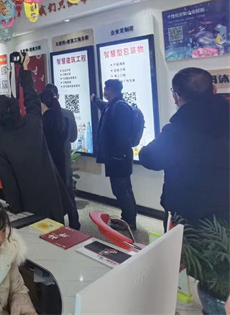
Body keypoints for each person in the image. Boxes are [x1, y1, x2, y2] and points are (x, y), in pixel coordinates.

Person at [0, 54, 79, 228]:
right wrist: (24, 69)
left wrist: (15, 206)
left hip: (27, 198)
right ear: (17, 110)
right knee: (57, 234)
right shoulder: (33, 122)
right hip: (51, 193)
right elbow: (32, 98)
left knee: (34, 237)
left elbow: (6, 176)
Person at [140, 68, 229, 227]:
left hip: (190, 215)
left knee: (182, 244)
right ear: (214, 90)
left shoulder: (176, 132)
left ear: (176, 96)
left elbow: (149, 158)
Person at [92, 79, 137, 229]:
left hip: (119, 157)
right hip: (117, 157)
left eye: (106, 88)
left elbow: (122, 136)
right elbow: (102, 105)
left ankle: (129, 221)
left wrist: (117, 155)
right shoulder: (112, 105)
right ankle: (128, 217)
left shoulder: (120, 107)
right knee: (124, 189)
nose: (104, 91)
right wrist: (94, 99)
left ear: (111, 90)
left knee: (121, 190)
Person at [44, 84, 78, 184]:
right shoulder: (68, 114)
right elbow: (73, 137)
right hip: (64, 158)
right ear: (57, 96)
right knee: (65, 185)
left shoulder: (41, 117)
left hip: (46, 159)